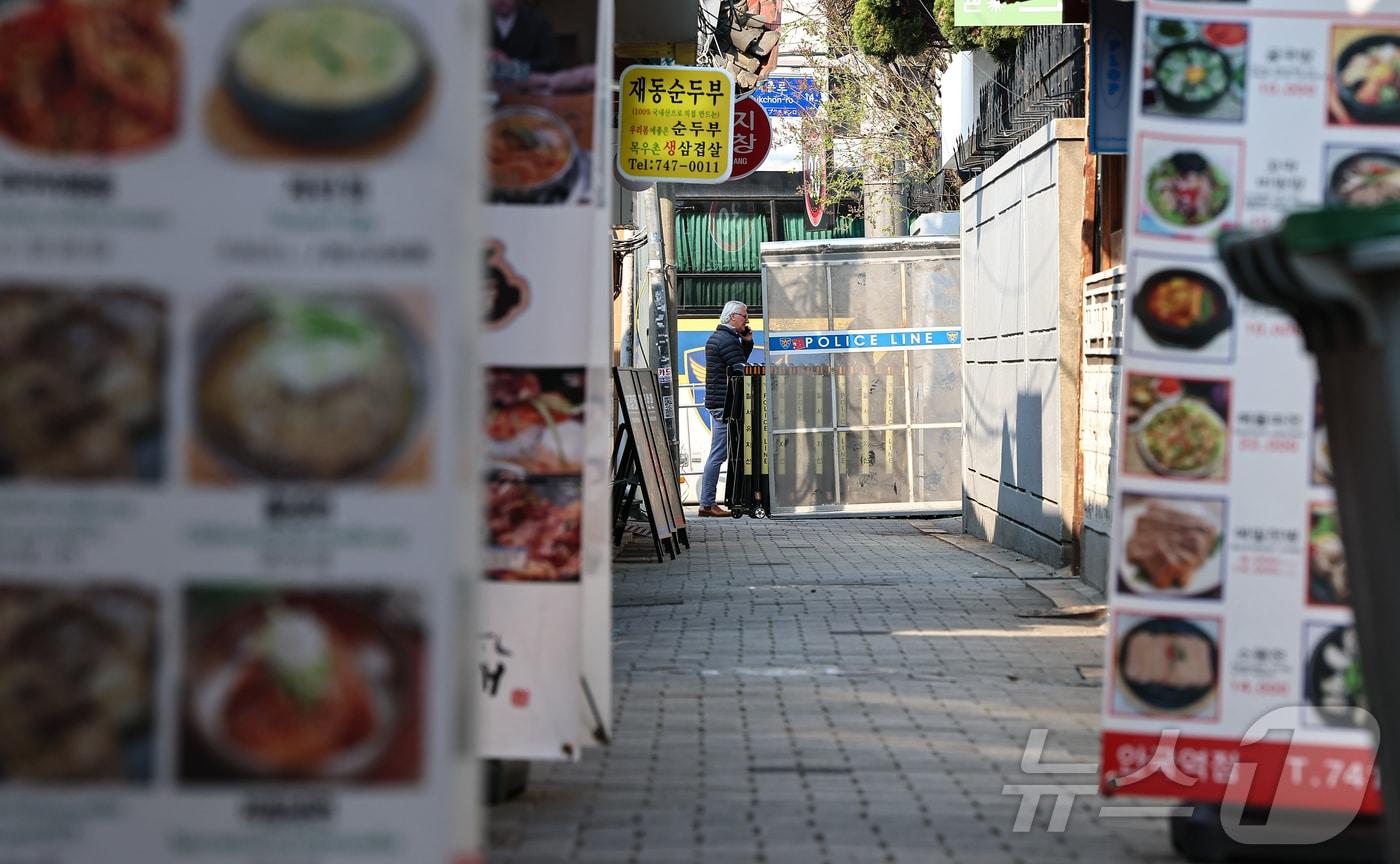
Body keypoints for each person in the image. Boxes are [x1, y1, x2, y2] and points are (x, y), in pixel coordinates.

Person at [698, 301, 755, 517]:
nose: (746, 320)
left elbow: (735, 364)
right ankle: (707, 504)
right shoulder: (727, 340)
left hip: (718, 402)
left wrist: (746, 343)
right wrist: (745, 344)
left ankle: (709, 502)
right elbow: (739, 368)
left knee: (719, 453)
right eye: (744, 315)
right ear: (732, 317)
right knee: (718, 454)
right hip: (724, 404)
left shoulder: (722, 338)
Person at [490, 0, 558, 74]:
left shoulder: (538, 23)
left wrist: (513, 65)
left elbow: (551, 63)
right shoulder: (478, 22)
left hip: (530, 83)